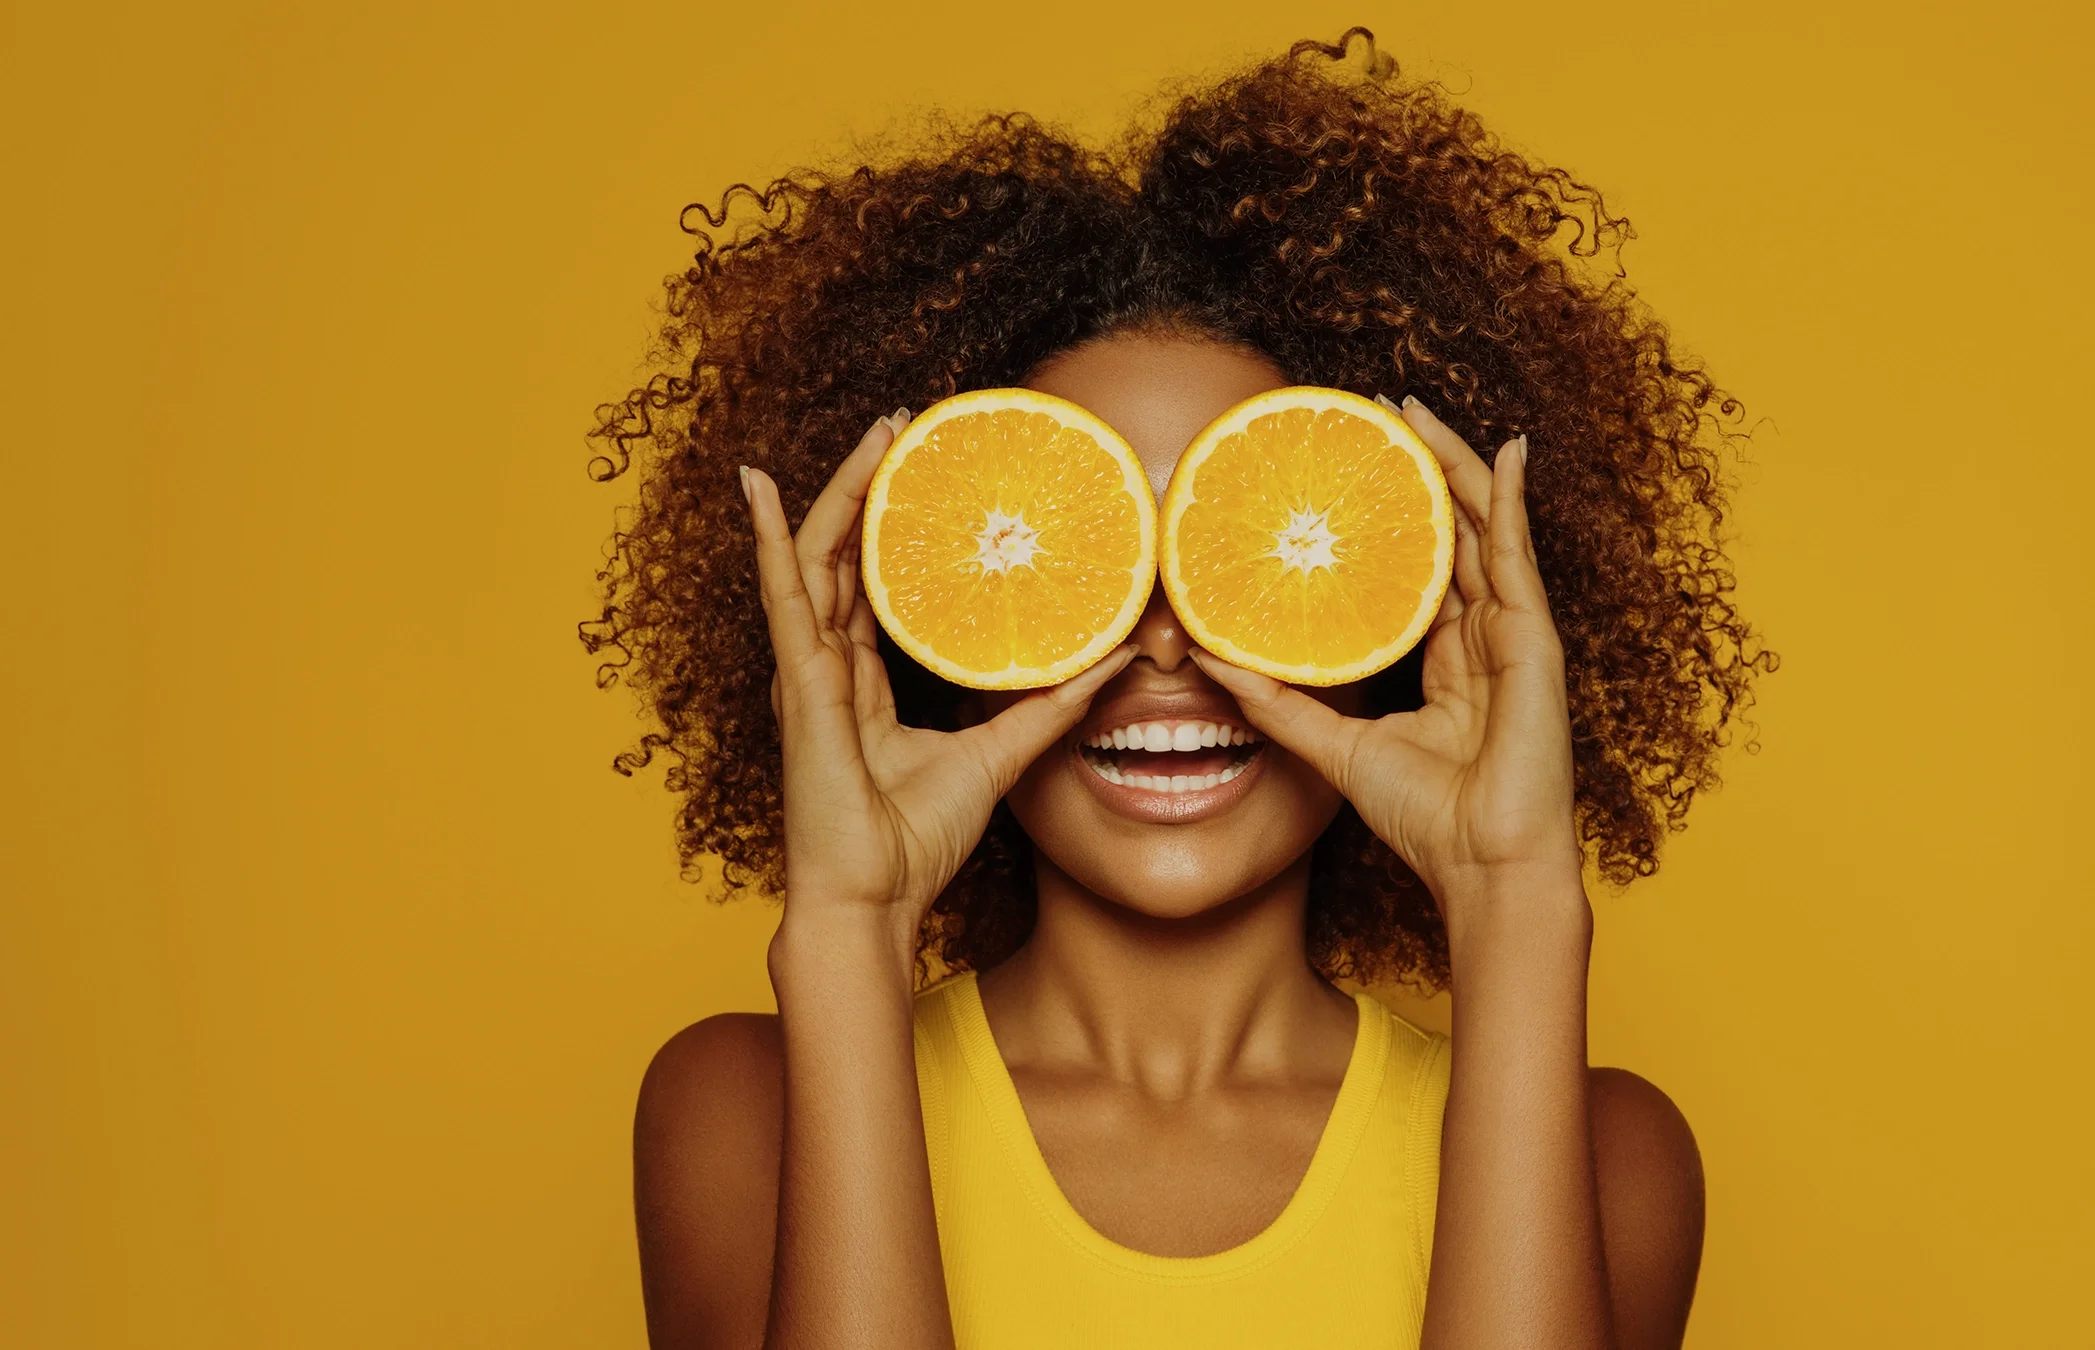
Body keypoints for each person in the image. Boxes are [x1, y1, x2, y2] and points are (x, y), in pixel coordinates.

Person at [585, 28, 1766, 1350]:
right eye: (1085, 562)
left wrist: (1516, 895)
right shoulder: (743, 1114)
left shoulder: (1610, 1161)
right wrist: (851, 925)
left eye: (1243, 557)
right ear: (941, 634)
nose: (1161, 642)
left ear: (1400, 618)